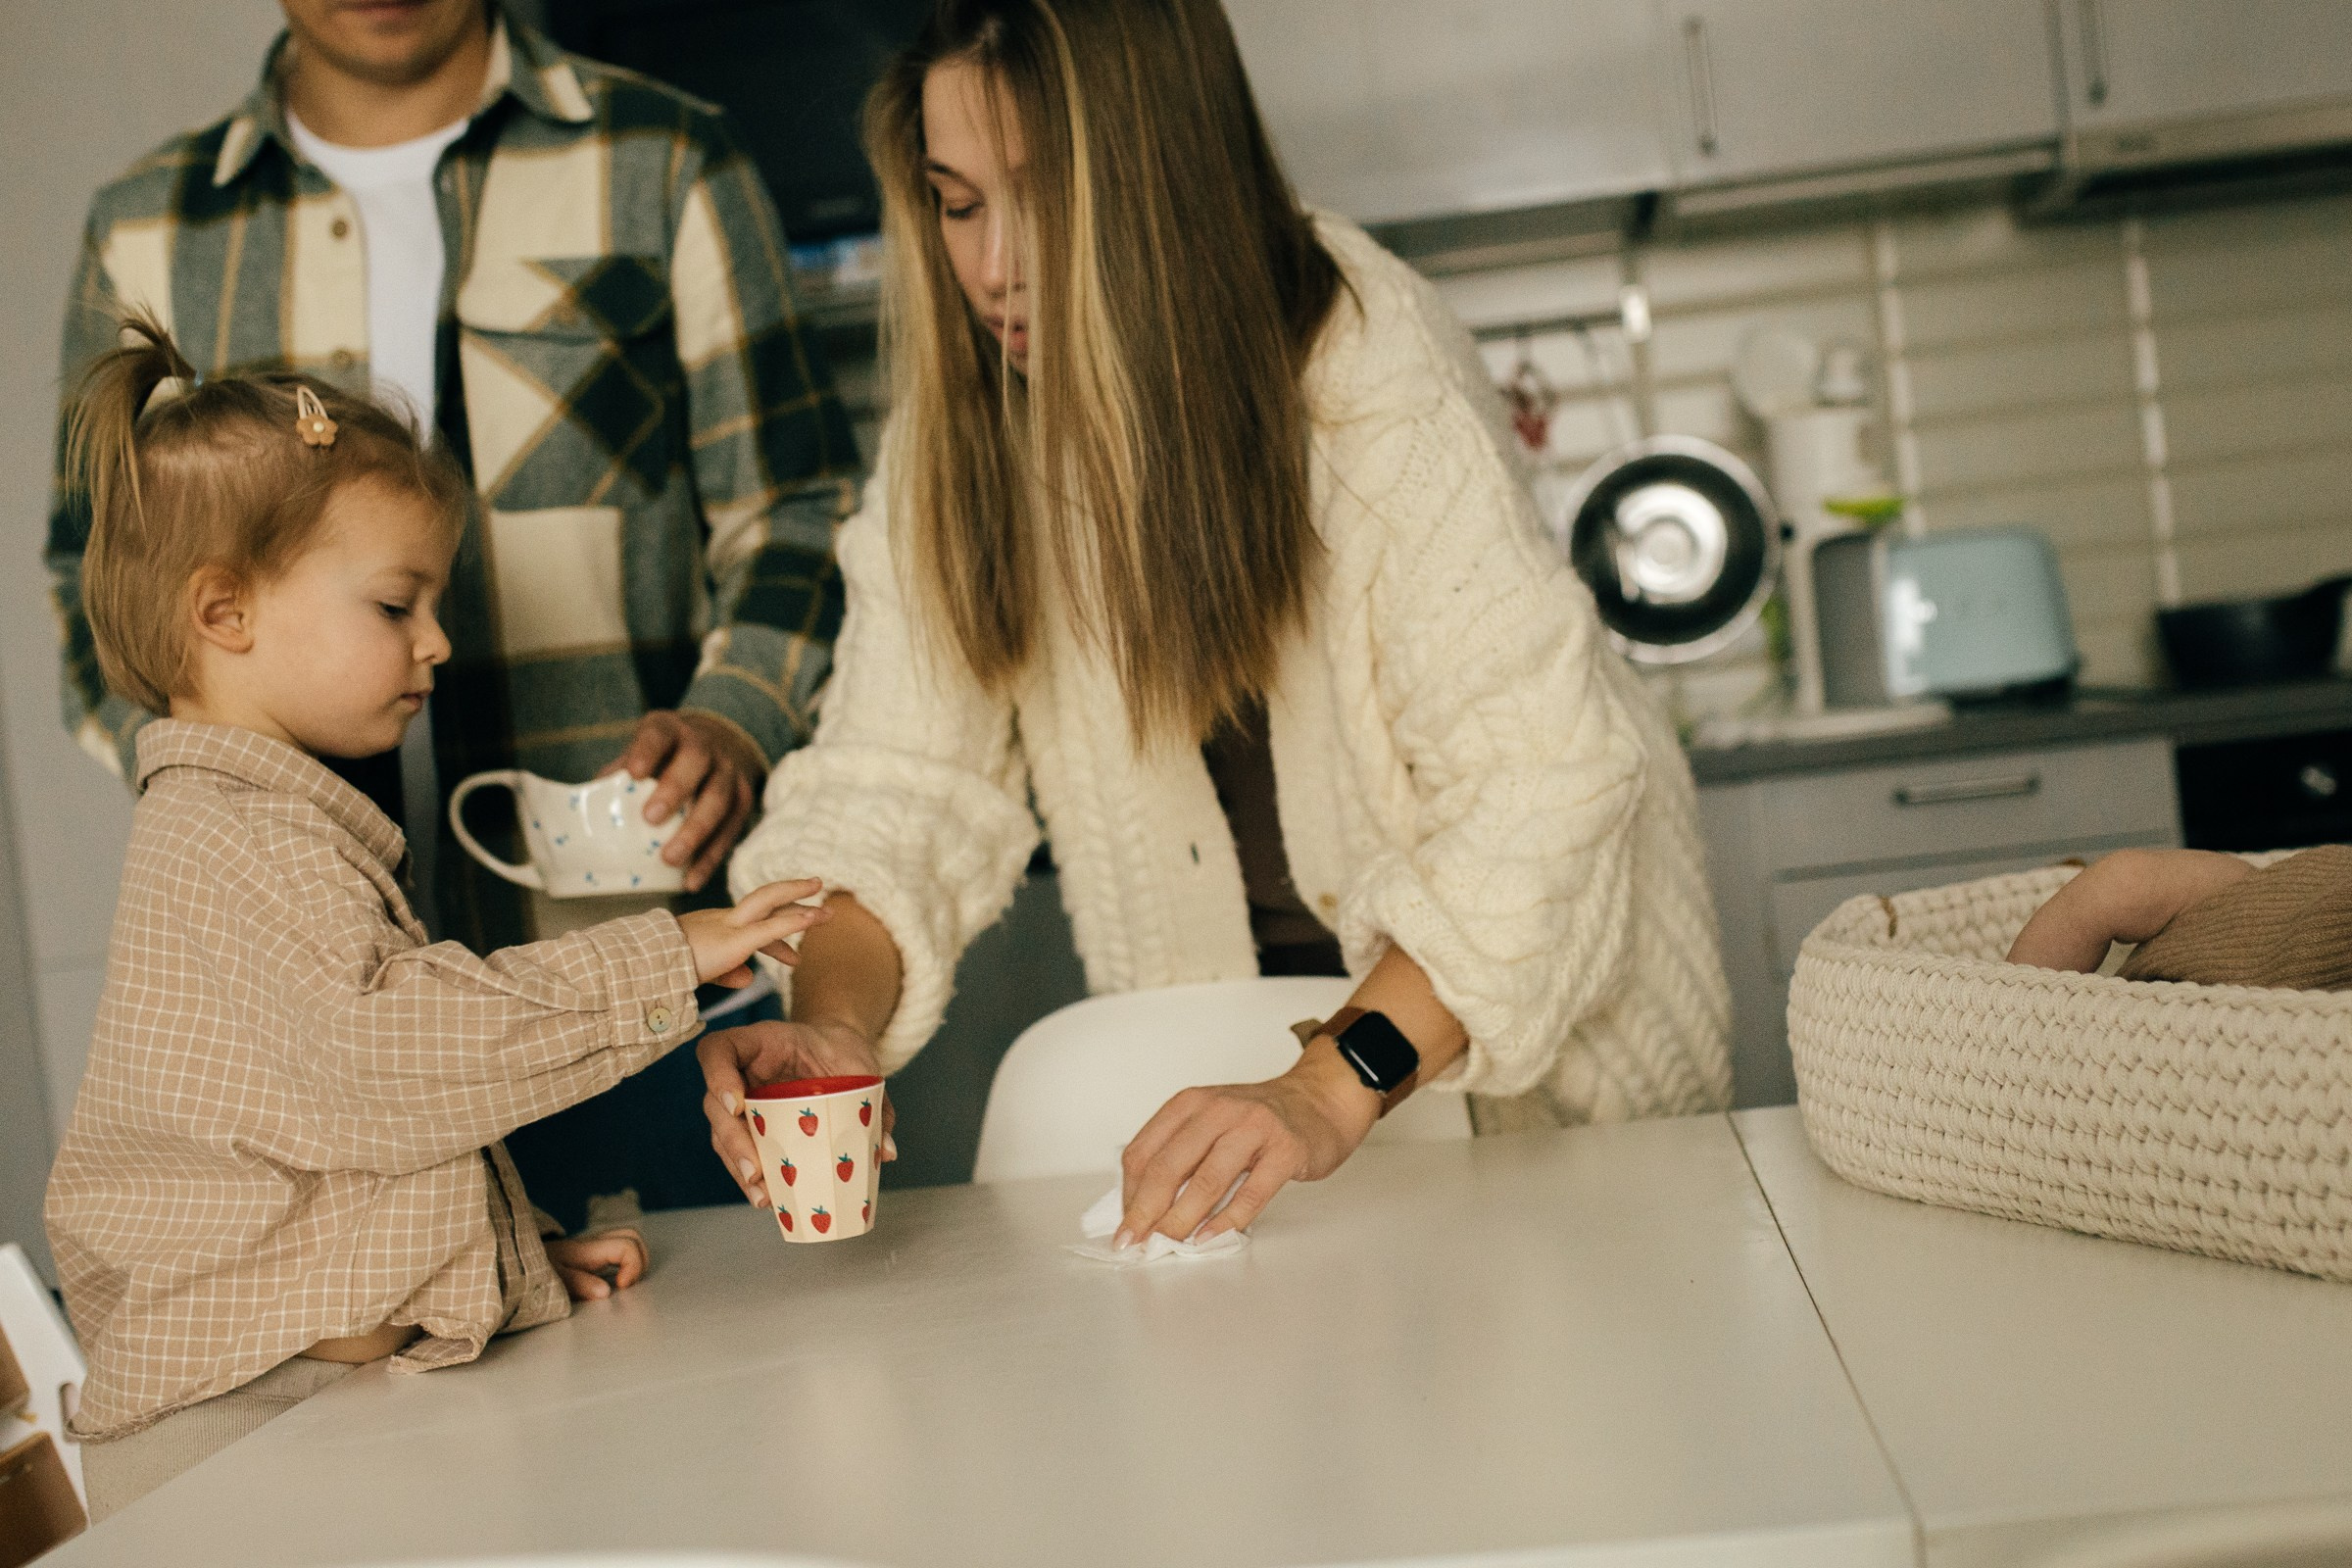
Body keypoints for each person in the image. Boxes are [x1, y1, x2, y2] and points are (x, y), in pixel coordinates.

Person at [701, 0, 1731, 1247]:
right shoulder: (964, 436)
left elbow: (1542, 783)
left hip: (1535, 1095)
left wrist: (1323, 1083)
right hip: (1262, 1107)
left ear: (1163, 178)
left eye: (1044, 196)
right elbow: (888, 790)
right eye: (957, 203)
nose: (990, 268)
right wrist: (833, 1021)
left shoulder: (1355, 344)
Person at [44, 0, 860, 1227]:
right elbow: (92, 572)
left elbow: (799, 508)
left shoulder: (668, 156)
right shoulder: (150, 224)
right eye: (394, 605)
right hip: (338, 1041)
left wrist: (736, 719)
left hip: (643, 959)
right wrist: (235, 803)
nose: (431, 641)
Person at [44, 320, 831, 1521]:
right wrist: (675, 947)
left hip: (301, 1411)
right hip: (227, 1456)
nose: (439, 643)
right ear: (225, 613)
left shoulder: (268, 821)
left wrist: (490, 1263)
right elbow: (394, 1064)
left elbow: (337, 1156)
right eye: (395, 605)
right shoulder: (242, 839)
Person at [2007, 845, 2351, 990]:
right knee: (2120, 885)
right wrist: (2008, 1010)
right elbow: (2120, 883)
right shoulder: (2235, 896)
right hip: (2282, 899)